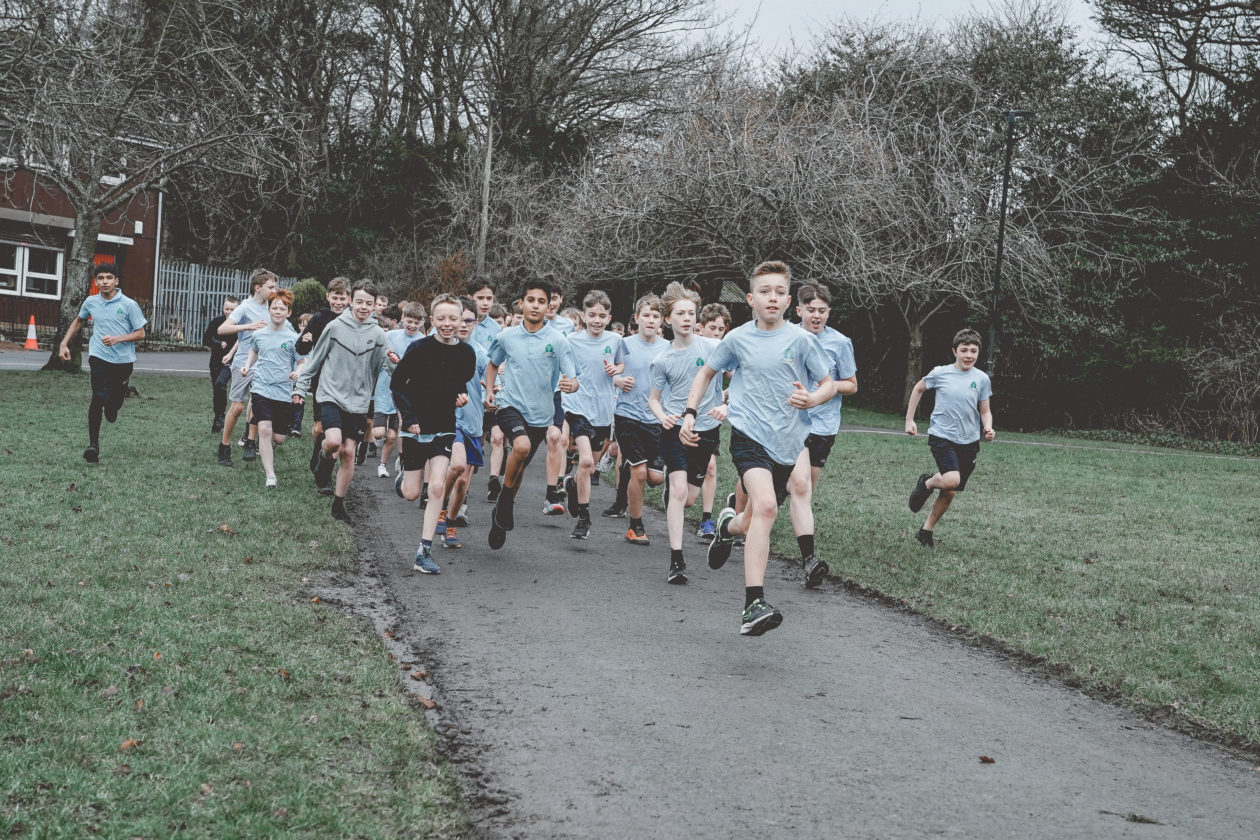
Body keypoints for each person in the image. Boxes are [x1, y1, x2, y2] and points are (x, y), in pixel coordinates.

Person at [679, 261, 835, 636]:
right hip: (749, 436)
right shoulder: (738, 339)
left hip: (788, 442)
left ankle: (727, 527)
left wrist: (813, 399)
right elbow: (706, 373)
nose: (772, 298)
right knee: (766, 506)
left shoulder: (802, 341)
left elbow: (829, 383)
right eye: (765, 291)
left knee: (752, 519)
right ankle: (753, 604)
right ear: (751, 299)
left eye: (780, 292)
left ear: (789, 301)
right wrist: (689, 413)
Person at [483, 276, 578, 551]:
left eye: (541, 301)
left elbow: (573, 378)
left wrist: (571, 385)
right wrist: (490, 390)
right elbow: (492, 365)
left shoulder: (558, 341)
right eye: (531, 300)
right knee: (521, 446)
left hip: (541, 413)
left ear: (549, 306)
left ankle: (503, 508)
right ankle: (505, 502)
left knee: (520, 464)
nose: (535, 306)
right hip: (510, 404)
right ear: (521, 303)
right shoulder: (506, 337)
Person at [390, 293, 477, 573]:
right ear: (432, 320)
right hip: (415, 428)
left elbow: (457, 383)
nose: (447, 323)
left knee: (437, 486)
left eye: (453, 318)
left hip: (444, 427)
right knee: (411, 493)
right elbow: (397, 385)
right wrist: (409, 418)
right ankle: (404, 477)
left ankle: (423, 551)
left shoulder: (466, 354)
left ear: (461, 320)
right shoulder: (419, 349)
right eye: (441, 318)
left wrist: (461, 396)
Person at [292, 280, 390, 524]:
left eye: (369, 303)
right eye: (359, 302)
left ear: (375, 305)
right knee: (334, 441)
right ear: (351, 302)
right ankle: (324, 460)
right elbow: (315, 359)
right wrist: (300, 387)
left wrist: (396, 363)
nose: (364, 307)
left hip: (358, 400)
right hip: (331, 394)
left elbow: (386, 365)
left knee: (348, 452)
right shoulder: (335, 327)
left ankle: (338, 505)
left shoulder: (378, 334)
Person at [649, 283, 726, 584]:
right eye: (680, 313)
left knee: (690, 498)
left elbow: (743, 375)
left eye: (691, 313)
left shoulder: (713, 348)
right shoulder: (662, 359)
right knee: (680, 491)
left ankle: (673, 493)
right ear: (668, 319)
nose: (686, 318)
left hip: (707, 429)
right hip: (675, 429)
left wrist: (728, 403)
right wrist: (663, 417)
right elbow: (654, 399)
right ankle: (676, 560)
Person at [783, 282, 858, 588]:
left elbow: (851, 384)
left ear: (829, 312)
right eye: (811, 310)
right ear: (798, 309)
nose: (816, 315)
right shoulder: (785, 335)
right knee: (797, 485)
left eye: (822, 311)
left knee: (803, 489)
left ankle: (750, 511)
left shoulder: (840, 343)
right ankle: (809, 560)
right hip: (789, 423)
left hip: (823, 426)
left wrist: (825, 388)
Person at [904, 328, 995, 548]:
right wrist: (909, 420)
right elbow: (918, 388)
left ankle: (925, 531)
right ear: (955, 351)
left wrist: (988, 427)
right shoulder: (940, 373)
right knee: (952, 479)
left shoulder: (982, 379)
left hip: (969, 441)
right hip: (942, 436)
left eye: (973, 351)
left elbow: (985, 410)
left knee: (950, 490)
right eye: (964, 350)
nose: (969, 355)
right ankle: (927, 482)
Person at [58, 262, 147, 463]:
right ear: (96, 281)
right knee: (98, 397)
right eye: (100, 278)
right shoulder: (91, 302)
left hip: (122, 361)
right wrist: (64, 343)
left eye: (109, 278)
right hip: (98, 356)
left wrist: (118, 338)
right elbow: (79, 321)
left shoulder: (129, 305)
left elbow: (141, 333)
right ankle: (93, 446)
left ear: (116, 281)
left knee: (114, 402)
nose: (105, 281)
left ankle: (113, 407)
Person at [560, 290, 626, 539]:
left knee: (589, 467)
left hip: (603, 410)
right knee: (586, 462)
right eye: (592, 315)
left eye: (601, 316)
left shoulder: (615, 340)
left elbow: (621, 363)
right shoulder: (572, 340)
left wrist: (616, 369)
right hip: (578, 406)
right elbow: (562, 366)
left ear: (609, 317)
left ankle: (573, 484)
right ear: (584, 315)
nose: (596, 320)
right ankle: (584, 519)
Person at [606, 294, 667, 543]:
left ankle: (628, 469)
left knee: (655, 477)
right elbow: (605, 373)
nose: (651, 320)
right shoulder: (623, 344)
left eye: (655, 316)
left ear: (662, 321)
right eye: (646, 315)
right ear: (636, 318)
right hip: (627, 415)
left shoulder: (669, 348)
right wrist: (618, 380)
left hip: (656, 419)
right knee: (639, 472)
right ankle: (635, 526)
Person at [435, 297, 489, 549]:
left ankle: (450, 524)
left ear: (476, 323)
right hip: (449, 421)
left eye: (470, 321)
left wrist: (492, 394)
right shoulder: (441, 349)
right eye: (461, 320)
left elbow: (493, 384)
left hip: (474, 423)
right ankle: (439, 507)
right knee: (456, 465)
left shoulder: (481, 354)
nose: (464, 325)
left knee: (463, 482)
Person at [240, 289, 304, 488]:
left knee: (279, 437)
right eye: (274, 308)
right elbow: (254, 350)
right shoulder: (258, 334)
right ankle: (270, 476)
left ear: (289, 312)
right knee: (265, 430)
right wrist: (247, 365)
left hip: (283, 392)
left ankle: (267, 444)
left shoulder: (293, 338)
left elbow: (302, 362)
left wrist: (297, 373)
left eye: (282, 309)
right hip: (261, 387)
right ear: (268, 310)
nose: (278, 312)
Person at [214, 269, 277, 466]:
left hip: (264, 363)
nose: (274, 290)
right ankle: (224, 446)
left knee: (258, 403)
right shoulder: (245, 307)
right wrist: (247, 326)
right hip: (243, 362)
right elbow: (222, 329)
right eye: (270, 287)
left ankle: (250, 441)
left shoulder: (273, 307)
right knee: (238, 407)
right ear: (257, 288)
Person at [297, 277, 352, 473]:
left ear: (349, 300)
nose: (338, 302)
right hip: (322, 378)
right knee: (320, 428)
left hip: (346, 379)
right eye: (335, 297)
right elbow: (301, 349)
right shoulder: (319, 318)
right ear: (328, 296)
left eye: (342, 298)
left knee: (337, 429)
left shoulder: (353, 320)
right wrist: (305, 340)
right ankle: (317, 452)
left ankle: (326, 470)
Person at [373, 301, 427, 478]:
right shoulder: (391, 336)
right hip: (384, 389)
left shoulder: (423, 341)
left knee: (396, 432)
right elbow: (380, 355)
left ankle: (391, 462)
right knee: (379, 433)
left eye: (416, 323)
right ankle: (374, 440)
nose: (412, 325)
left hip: (406, 393)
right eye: (409, 321)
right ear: (402, 318)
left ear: (422, 322)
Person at [694, 302, 732, 540]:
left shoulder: (724, 352)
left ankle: (706, 520)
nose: (717, 333)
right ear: (700, 327)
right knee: (682, 474)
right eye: (713, 328)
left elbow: (737, 374)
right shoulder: (691, 347)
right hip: (684, 417)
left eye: (721, 329)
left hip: (710, 418)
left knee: (709, 466)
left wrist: (727, 395)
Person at [203, 296, 239, 432]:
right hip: (216, 361)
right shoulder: (217, 322)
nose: (229, 312)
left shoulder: (240, 324)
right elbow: (206, 339)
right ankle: (218, 416)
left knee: (220, 384)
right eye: (226, 309)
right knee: (217, 389)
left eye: (232, 309)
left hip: (232, 361)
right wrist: (218, 343)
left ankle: (221, 417)